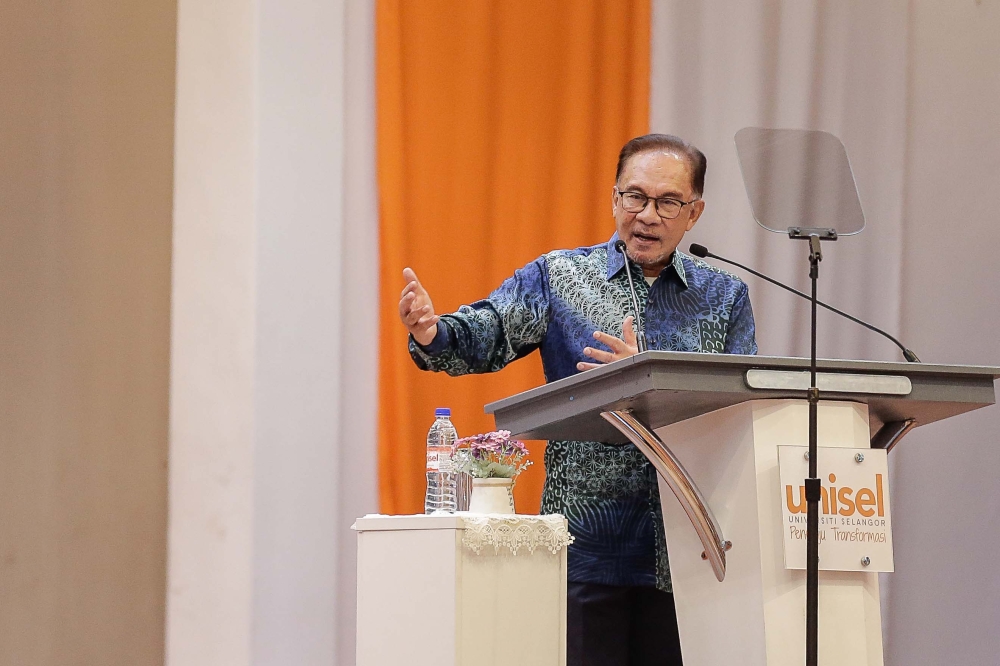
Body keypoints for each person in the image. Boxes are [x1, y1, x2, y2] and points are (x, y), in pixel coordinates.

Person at [398, 133, 757, 666]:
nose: (647, 215)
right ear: (614, 199)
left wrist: (645, 381)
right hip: (587, 547)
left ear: (694, 212)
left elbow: (740, 409)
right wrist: (433, 332)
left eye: (667, 202)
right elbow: (491, 331)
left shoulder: (724, 295)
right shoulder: (562, 277)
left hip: (691, 548)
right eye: (634, 196)